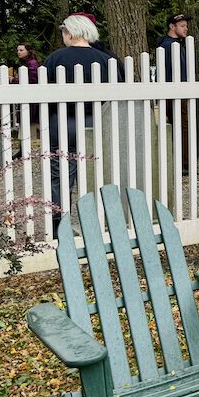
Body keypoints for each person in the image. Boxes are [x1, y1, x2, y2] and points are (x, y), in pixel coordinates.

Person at [43, 14, 119, 237]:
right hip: (95, 121)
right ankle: (95, 221)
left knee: (60, 174)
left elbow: (44, 94)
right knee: (95, 172)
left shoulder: (55, 58)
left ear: (70, 32)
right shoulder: (105, 60)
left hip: (63, 122)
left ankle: (59, 224)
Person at [157, 13, 195, 173]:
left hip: (178, 90)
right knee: (181, 126)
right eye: (182, 26)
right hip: (174, 92)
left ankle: (182, 161)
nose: (185, 29)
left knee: (181, 125)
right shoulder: (168, 46)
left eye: (186, 26)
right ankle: (182, 162)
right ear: (172, 27)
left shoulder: (178, 44)